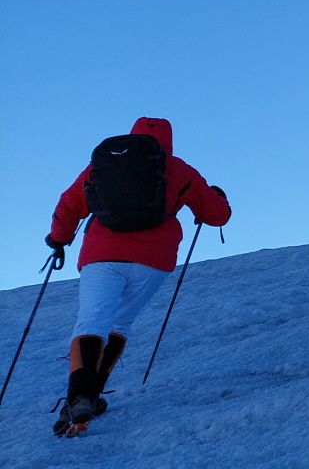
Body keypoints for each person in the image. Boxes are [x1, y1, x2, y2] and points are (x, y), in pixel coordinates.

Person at [44, 117, 231, 436]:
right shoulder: (176, 167)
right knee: (120, 323)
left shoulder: (103, 164)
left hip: (101, 255)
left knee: (91, 321)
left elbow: (70, 203)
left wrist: (59, 239)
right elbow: (216, 214)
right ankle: (93, 395)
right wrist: (218, 197)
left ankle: (79, 398)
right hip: (153, 261)